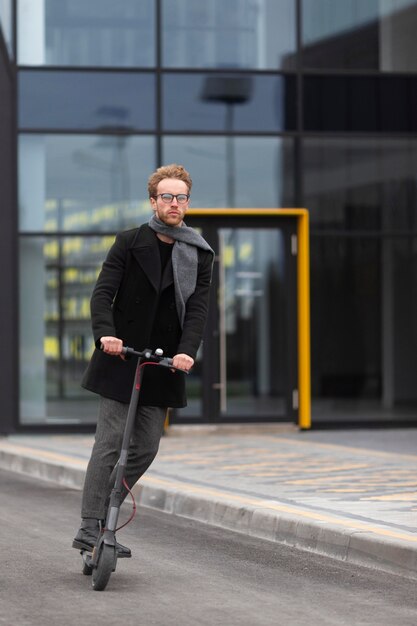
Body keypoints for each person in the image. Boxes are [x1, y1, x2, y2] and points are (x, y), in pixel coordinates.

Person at [73, 164, 214, 556]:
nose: (174, 203)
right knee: (109, 443)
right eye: (166, 197)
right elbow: (103, 294)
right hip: (120, 355)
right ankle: (89, 526)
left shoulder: (200, 253)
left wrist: (187, 351)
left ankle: (107, 511)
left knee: (147, 446)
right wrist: (105, 335)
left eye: (180, 197)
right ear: (153, 201)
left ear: (187, 202)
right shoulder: (129, 241)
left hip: (165, 362)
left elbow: (198, 309)